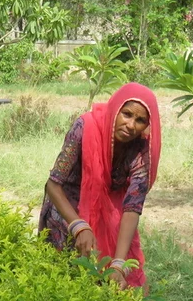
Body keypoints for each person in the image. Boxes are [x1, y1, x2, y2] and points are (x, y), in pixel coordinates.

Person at [38, 82, 161, 289]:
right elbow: (53, 183)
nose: (131, 125)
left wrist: (119, 264)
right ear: (116, 110)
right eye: (127, 114)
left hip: (107, 213)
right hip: (66, 210)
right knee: (65, 280)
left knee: (114, 282)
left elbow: (132, 208)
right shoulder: (85, 127)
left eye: (140, 120)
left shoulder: (141, 150)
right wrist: (78, 225)